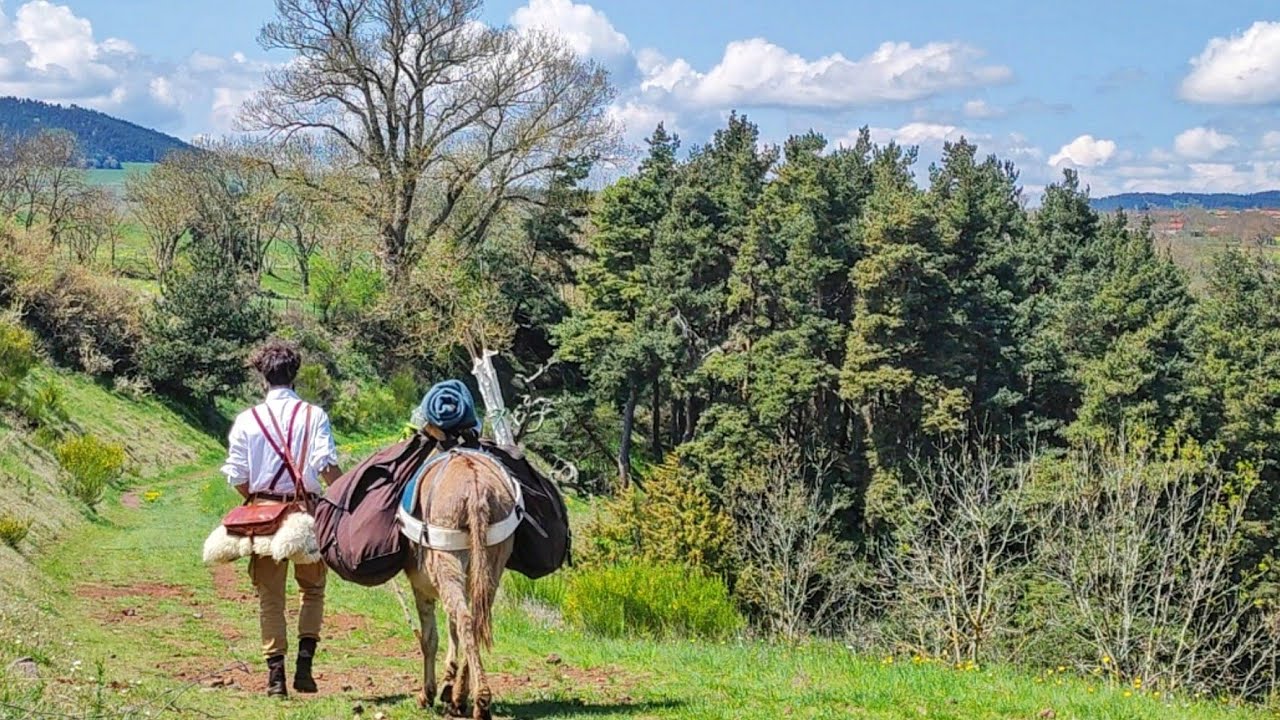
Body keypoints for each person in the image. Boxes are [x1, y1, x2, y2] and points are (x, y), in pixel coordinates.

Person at [221, 341, 342, 697]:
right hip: (305, 513)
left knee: (270, 597)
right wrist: (344, 496)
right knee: (313, 590)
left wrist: (259, 501)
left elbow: (237, 475)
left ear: (263, 377)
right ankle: (304, 668)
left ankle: (276, 679)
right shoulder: (314, 415)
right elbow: (326, 466)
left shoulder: (247, 419)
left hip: (263, 517)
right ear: (295, 374)